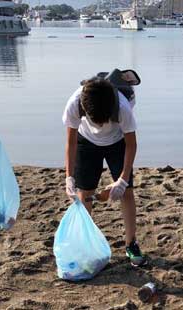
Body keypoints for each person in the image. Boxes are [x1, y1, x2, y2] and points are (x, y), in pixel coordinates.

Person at [62, 77, 147, 267]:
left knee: (127, 193)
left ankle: (131, 244)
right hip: (86, 142)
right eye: (96, 121)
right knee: (85, 192)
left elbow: (131, 145)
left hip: (117, 143)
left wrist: (123, 180)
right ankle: (86, 245)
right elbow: (71, 142)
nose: (100, 126)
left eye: (104, 121)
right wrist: (69, 176)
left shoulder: (123, 108)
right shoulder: (74, 104)